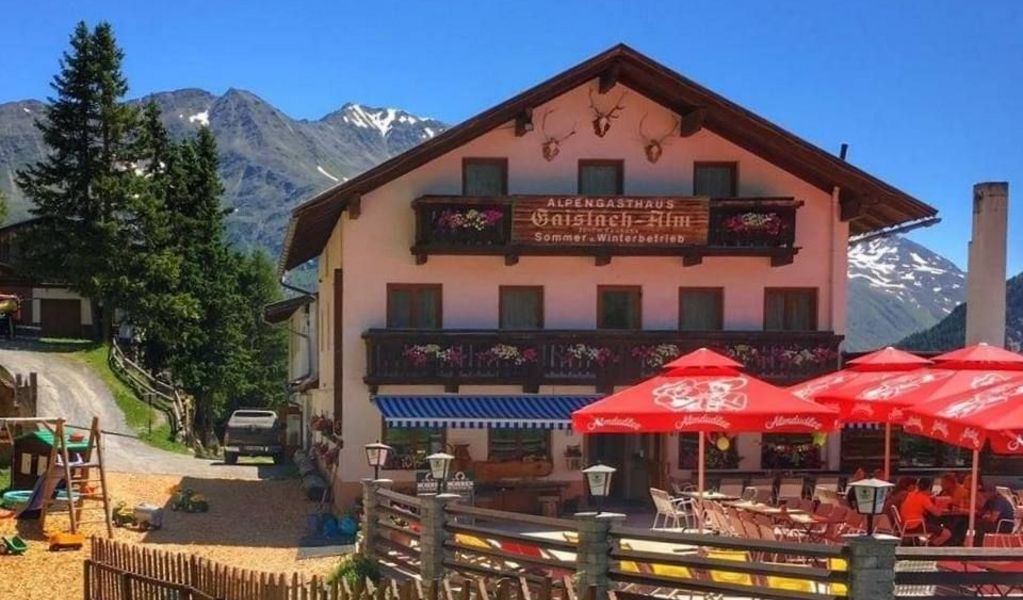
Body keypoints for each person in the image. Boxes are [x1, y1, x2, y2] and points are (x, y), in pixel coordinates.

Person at [900, 479, 952, 546]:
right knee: (947, 533)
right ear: (928, 488)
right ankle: (930, 547)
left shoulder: (911, 495)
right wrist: (942, 505)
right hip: (916, 525)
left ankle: (929, 544)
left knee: (935, 528)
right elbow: (937, 513)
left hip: (906, 525)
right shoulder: (923, 498)